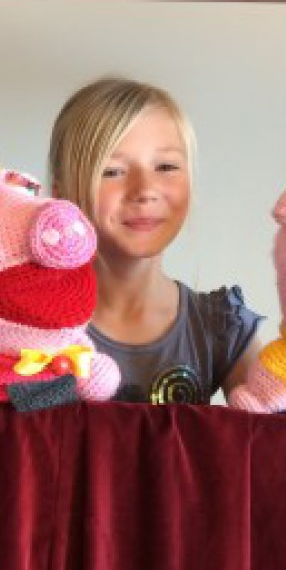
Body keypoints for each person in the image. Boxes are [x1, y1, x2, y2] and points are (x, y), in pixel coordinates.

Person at [48, 78, 263, 404]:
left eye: (166, 166)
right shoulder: (29, 326)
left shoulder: (221, 325)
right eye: (112, 171)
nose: (145, 190)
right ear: (61, 195)